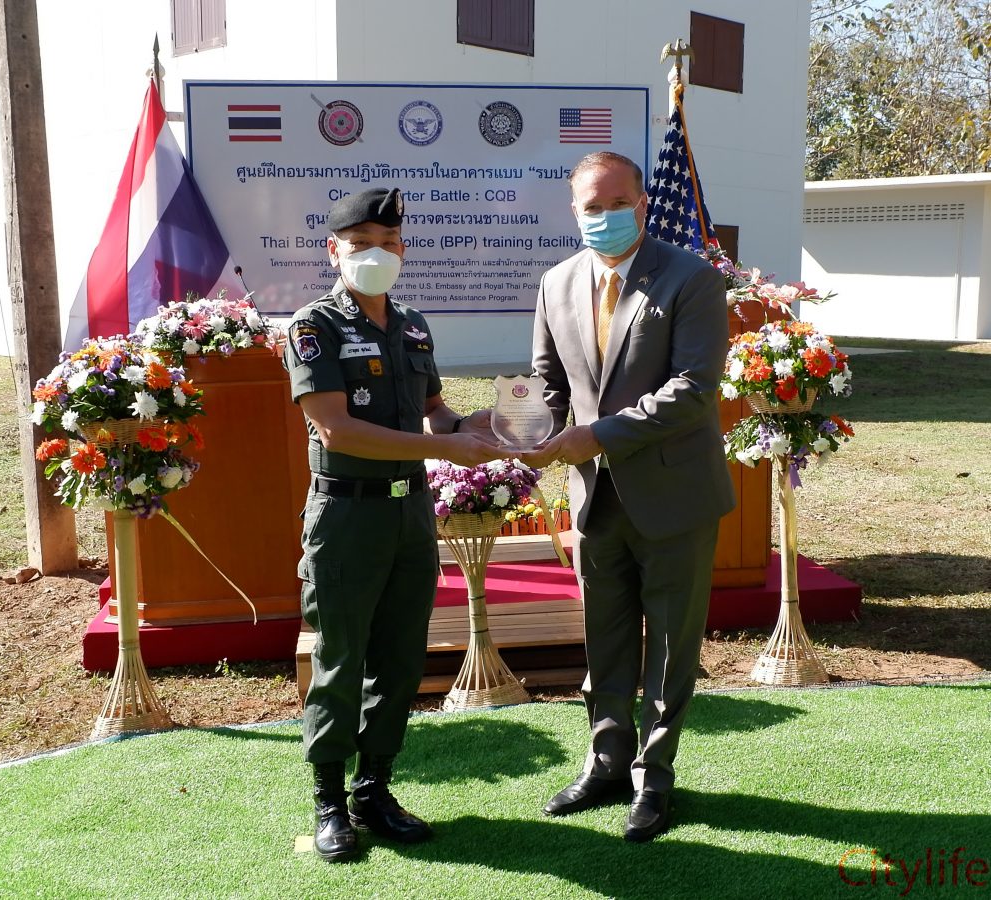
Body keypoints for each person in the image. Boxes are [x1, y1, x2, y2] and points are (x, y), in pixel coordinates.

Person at [283, 187, 502, 863]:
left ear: (403, 249)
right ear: (334, 251)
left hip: (409, 513)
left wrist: (483, 425)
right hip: (347, 513)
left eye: (386, 243)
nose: (374, 255)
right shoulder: (314, 326)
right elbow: (337, 429)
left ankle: (373, 790)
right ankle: (329, 801)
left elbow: (434, 412)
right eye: (359, 244)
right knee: (341, 658)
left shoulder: (412, 325)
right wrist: (445, 447)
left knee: (401, 659)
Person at [523, 152, 736, 842]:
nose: (606, 216)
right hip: (595, 498)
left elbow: (692, 389)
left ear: (643, 204)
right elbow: (548, 385)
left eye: (619, 203)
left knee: (670, 646)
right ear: (574, 211)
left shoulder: (691, 277)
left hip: (673, 495)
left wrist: (598, 435)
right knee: (605, 637)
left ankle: (654, 776)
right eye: (592, 206)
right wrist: (519, 432)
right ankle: (607, 762)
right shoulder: (556, 282)